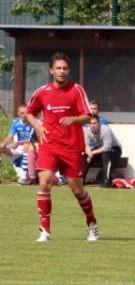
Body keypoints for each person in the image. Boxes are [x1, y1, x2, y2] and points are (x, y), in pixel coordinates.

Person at [25, 52, 99, 242]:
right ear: (51, 70)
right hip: (49, 145)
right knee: (44, 182)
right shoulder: (42, 92)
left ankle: (91, 222)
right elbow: (28, 113)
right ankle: (45, 231)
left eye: (65, 68)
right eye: (58, 68)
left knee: (77, 190)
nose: (62, 71)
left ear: (69, 70)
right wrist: (38, 127)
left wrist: (74, 118)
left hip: (72, 146)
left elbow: (88, 116)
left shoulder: (76, 90)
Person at [82, 114, 123, 187]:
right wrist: (89, 154)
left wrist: (92, 152)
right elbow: (87, 145)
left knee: (106, 154)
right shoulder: (87, 130)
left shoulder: (105, 129)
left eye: (94, 123)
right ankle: (81, 180)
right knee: (85, 156)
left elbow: (107, 147)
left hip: (114, 150)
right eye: (91, 124)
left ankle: (107, 181)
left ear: (99, 123)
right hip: (100, 150)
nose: (92, 125)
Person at [0, 104, 33, 184]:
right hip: (17, 148)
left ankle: (24, 177)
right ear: (18, 113)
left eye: (26, 113)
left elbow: (33, 140)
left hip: (29, 148)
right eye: (22, 113)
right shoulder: (16, 122)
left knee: (26, 146)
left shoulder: (33, 122)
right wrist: (4, 143)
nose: (24, 115)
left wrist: (18, 143)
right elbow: (10, 136)